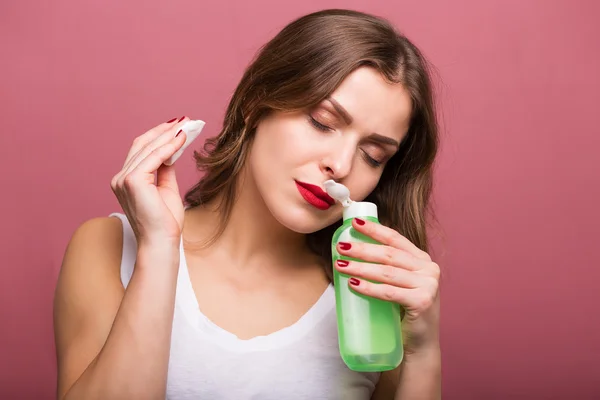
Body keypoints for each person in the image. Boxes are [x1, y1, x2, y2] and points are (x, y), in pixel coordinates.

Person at [53, 8, 441, 400]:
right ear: (257, 103)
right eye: (322, 122)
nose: (339, 165)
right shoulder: (109, 247)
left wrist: (423, 353)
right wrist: (159, 252)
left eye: (373, 155)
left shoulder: (373, 298)